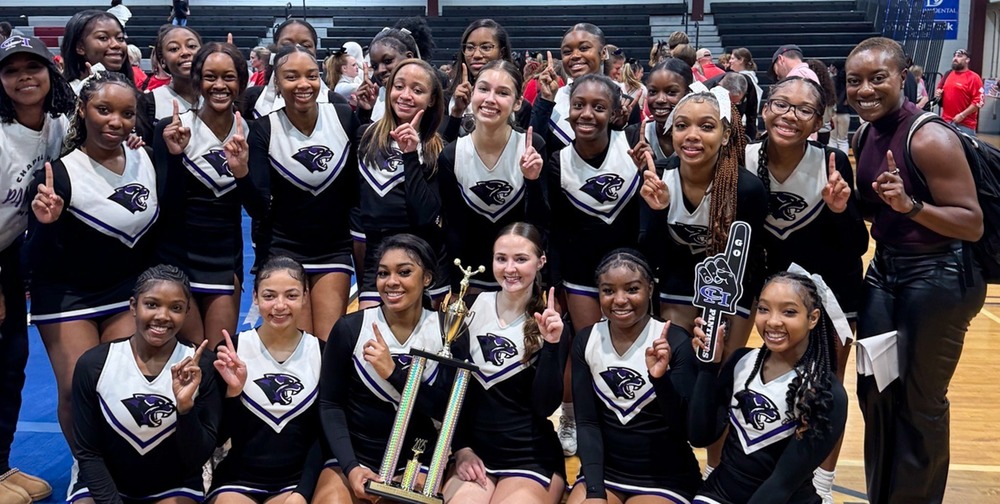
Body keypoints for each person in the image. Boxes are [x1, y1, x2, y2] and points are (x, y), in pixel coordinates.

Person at [848, 37, 986, 504]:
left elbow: (970, 223)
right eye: (855, 81)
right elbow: (881, 212)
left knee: (920, 402)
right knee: (877, 392)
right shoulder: (864, 135)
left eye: (877, 78)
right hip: (886, 271)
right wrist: (848, 204)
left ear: (903, 77)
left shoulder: (929, 137)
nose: (865, 89)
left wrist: (911, 206)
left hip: (939, 276)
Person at [25, 71, 162, 451]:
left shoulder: (146, 159)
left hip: (124, 290)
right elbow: (33, 261)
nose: (115, 122)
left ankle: (119, 464)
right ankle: (85, 466)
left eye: (127, 114)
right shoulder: (57, 175)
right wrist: (46, 226)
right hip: (68, 295)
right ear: (83, 109)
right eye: (104, 110)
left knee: (121, 383)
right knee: (76, 387)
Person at [749, 75, 869, 502]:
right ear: (765, 108)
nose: (789, 116)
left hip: (832, 292)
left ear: (819, 121)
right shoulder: (743, 158)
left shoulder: (832, 162)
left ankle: (822, 484)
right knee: (767, 380)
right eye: (781, 104)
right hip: (769, 295)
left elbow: (857, 245)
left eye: (804, 110)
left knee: (826, 390)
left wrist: (840, 210)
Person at [547, 73, 651, 456]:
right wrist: (555, 281)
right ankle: (572, 416)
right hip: (580, 273)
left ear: (615, 112)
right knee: (586, 346)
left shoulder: (633, 146)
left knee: (631, 347)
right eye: (579, 105)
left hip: (630, 270)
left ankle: (630, 421)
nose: (587, 113)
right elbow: (554, 228)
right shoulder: (557, 161)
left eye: (598, 106)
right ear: (568, 109)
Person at [689, 271, 849, 504]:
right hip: (719, 495)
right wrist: (708, 367)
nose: (773, 321)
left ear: (813, 318)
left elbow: (782, 484)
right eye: (764, 309)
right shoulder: (741, 362)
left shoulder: (826, 394)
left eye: (789, 312)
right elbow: (699, 436)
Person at [68, 265, 221, 504]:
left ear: (187, 312)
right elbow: (88, 452)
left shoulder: (202, 366)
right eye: (151, 304)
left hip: (174, 485)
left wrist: (185, 409)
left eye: (176, 308)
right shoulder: (94, 364)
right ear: (133, 306)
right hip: (108, 484)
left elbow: (196, 458)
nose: (163, 316)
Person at [315, 234, 449, 502]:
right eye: (383, 273)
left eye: (404, 272)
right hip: (355, 456)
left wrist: (394, 374)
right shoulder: (350, 328)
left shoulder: (447, 330)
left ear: (427, 278)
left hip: (416, 459)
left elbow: (445, 410)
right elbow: (330, 404)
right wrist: (352, 468)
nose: (391, 282)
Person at [442, 223, 569, 504]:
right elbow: (453, 394)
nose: (510, 269)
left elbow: (545, 406)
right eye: (501, 259)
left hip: (530, 456)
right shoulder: (468, 309)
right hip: (474, 453)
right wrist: (461, 449)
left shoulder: (551, 323)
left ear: (541, 262)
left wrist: (551, 345)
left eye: (521, 259)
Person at [0, 34, 74, 504]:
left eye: (33, 67)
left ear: (51, 73)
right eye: (11, 70)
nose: (24, 77)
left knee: (11, 366)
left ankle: (1, 465)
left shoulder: (57, 125)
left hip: (10, 252)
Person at [244, 44, 360, 340]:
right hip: (282, 247)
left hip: (333, 247)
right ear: (277, 82)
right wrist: (241, 173)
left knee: (328, 342)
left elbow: (356, 189)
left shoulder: (344, 117)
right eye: (291, 77)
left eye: (311, 75)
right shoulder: (264, 129)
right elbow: (258, 208)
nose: (303, 84)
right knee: (297, 342)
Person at [567, 250, 700, 504]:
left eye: (632, 289)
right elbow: (587, 422)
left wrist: (660, 380)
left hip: (664, 479)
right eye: (608, 291)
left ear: (650, 289)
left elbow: (683, 427)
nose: (620, 300)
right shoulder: (586, 340)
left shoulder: (675, 341)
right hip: (604, 474)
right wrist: (595, 492)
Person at [153, 41, 250, 347]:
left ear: (241, 82)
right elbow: (165, 205)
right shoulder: (171, 128)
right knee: (190, 353)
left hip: (224, 257)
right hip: (177, 255)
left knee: (219, 352)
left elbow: (259, 208)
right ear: (197, 80)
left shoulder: (251, 132)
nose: (219, 85)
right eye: (210, 77)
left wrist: (242, 171)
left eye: (228, 77)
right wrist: (174, 156)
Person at [209, 256, 327, 503]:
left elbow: (323, 435)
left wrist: (302, 492)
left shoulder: (322, 352)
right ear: (255, 297)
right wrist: (233, 393)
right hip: (239, 479)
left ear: (305, 297)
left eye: (291, 296)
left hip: (296, 481)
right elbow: (217, 438)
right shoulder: (232, 350)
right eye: (269, 296)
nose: (280, 305)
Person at [438, 60, 546, 292]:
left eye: (502, 93)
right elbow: (453, 227)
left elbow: (540, 223)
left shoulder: (532, 147)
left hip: (519, 277)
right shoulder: (451, 154)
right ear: (472, 94)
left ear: (518, 103)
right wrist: (456, 287)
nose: (490, 99)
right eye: (484, 89)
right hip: (470, 277)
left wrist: (532, 181)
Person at [355, 58, 449, 309]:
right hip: (378, 257)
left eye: (417, 90)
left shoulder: (438, 149)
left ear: (431, 99)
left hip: (423, 258)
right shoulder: (365, 137)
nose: (406, 95)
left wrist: (410, 155)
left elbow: (426, 215)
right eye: (399, 86)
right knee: (371, 330)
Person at [443, 19, 532, 138]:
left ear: (501, 52)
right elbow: (442, 147)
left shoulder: (521, 107)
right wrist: (456, 113)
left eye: (486, 47)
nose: (476, 55)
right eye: (470, 48)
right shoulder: (446, 100)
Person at [243, 19, 346, 119]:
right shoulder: (252, 99)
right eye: (287, 45)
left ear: (315, 51)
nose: (297, 50)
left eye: (306, 46)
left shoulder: (336, 103)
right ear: (275, 50)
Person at [531, 23, 610, 150]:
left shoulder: (621, 99)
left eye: (584, 48)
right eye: (567, 52)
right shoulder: (552, 98)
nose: (575, 56)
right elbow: (534, 147)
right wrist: (546, 101)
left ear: (604, 53)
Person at [136, 25, 202, 142]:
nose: (185, 52)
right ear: (163, 61)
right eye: (174, 49)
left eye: (192, 46)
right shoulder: (149, 102)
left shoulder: (218, 96)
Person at [625, 58, 694, 162]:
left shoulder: (697, 139)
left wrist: (656, 165)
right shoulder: (633, 135)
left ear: (688, 94)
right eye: (653, 92)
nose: (660, 100)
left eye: (671, 92)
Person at [60, 10, 133, 94]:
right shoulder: (63, 94)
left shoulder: (133, 92)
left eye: (120, 38)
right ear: (80, 47)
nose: (116, 45)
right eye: (103, 38)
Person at [934, 48, 984, 136]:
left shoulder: (974, 78)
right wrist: (939, 94)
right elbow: (939, 89)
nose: (955, 58)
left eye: (959, 56)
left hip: (965, 125)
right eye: (954, 56)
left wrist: (962, 115)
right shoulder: (948, 74)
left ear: (967, 60)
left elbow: (979, 102)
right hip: (946, 121)